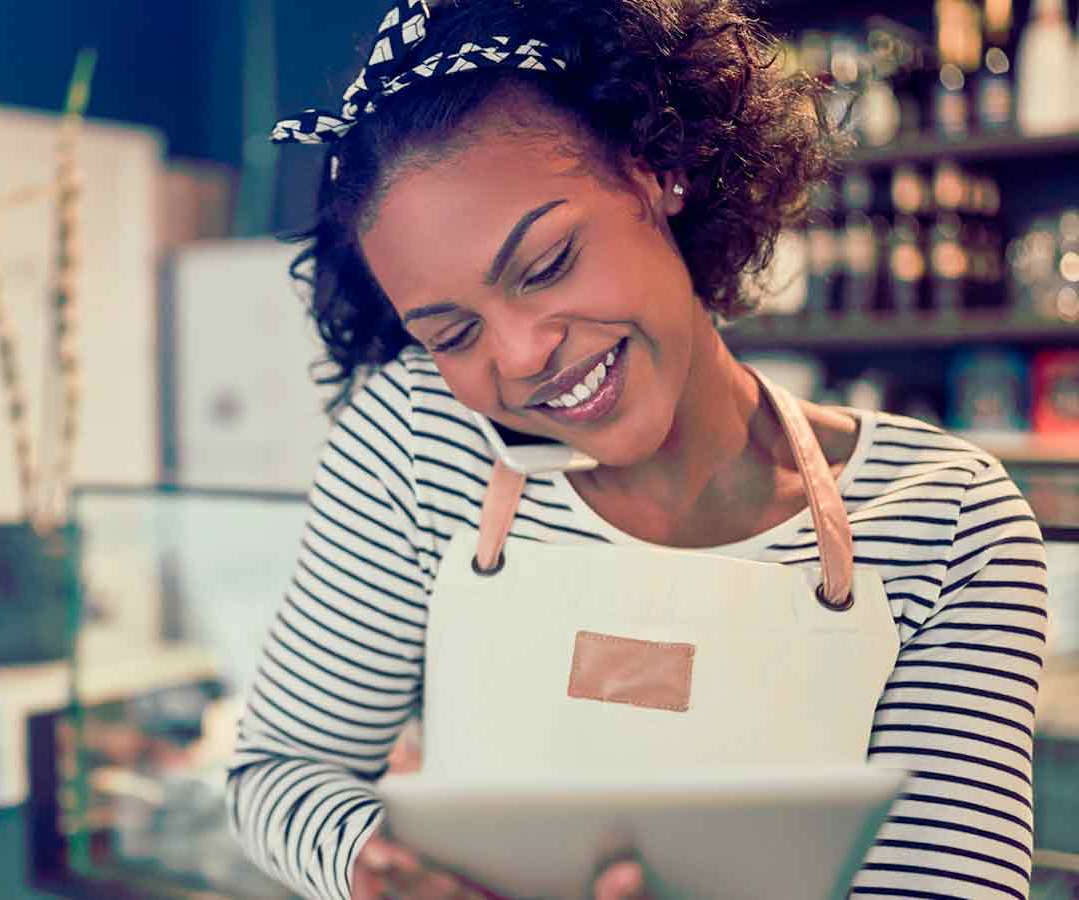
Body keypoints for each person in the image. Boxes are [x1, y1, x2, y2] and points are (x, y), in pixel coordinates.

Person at [225, 1, 1050, 899]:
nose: (519, 355)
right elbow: (280, 770)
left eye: (545, 265)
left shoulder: (949, 517)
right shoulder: (421, 442)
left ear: (660, 173)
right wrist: (372, 868)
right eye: (452, 332)